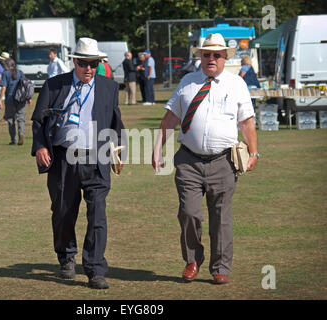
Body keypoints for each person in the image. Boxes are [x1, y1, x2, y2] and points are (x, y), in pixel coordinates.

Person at [152, 33, 259, 285]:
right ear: (200, 56)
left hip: (224, 161)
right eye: (206, 54)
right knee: (189, 213)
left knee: (221, 217)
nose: (211, 59)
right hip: (188, 161)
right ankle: (192, 259)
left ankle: (220, 267)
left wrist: (254, 152)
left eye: (216, 55)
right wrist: (158, 148)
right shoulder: (187, 82)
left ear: (224, 58)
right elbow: (170, 118)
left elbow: (246, 122)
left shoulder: (237, 84)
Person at [31, 37, 126, 290]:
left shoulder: (108, 87)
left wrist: (120, 151)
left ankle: (95, 269)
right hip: (64, 158)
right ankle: (66, 255)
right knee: (63, 211)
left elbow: (116, 122)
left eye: (94, 64)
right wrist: (40, 146)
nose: (89, 69)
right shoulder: (54, 86)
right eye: (84, 63)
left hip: (96, 158)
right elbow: (39, 121)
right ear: (75, 61)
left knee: (97, 215)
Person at [0, 59, 29, 145]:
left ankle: (14, 140)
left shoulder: (5, 73)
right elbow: (26, 85)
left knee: (11, 120)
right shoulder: (20, 72)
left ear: (7, 65)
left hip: (10, 100)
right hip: (21, 99)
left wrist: (0, 100)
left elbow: (3, 87)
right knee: (21, 119)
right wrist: (28, 98)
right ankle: (21, 134)